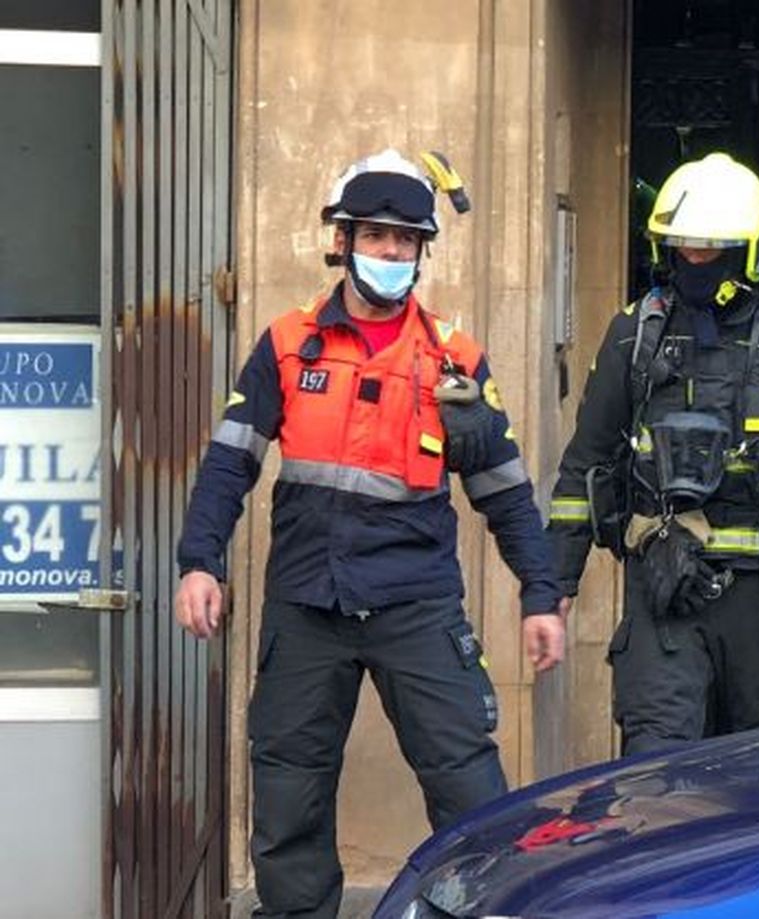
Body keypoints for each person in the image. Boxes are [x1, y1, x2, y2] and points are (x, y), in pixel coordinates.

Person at [172, 149, 565, 919]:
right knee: (288, 791)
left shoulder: (454, 359)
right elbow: (228, 464)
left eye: (405, 240)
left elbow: (507, 493)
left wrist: (540, 593)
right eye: (376, 235)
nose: (390, 251)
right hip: (306, 601)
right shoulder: (288, 344)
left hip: (415, 603)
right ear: (344, 239)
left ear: (422, 251)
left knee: (467, 782)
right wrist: (199, 561)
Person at [548, 152, 759, 756]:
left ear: (747, 252)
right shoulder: (634, 335)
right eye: (683, 249)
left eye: (709, 250)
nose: (693, 262)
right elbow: (585, 465)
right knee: (654, 769)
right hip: (663, 596)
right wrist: (552, 583)